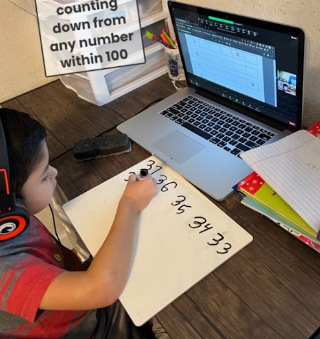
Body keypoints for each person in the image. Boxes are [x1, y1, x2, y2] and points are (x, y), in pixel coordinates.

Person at [0, 108, 160, 338]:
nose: (55, 173)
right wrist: (130, 204)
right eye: (44, 176)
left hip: (75, 291)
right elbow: (100, 290)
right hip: (91, 328)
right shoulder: (5, 272)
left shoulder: (7, 216)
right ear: (8, 200)